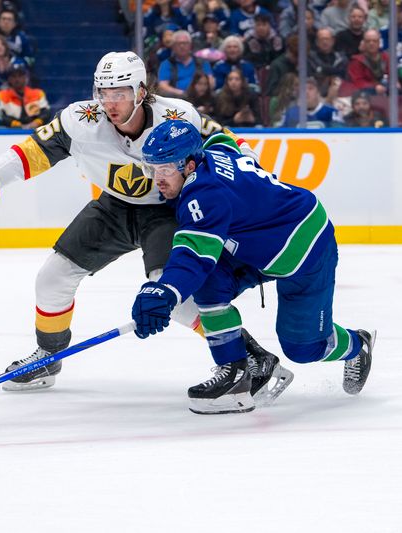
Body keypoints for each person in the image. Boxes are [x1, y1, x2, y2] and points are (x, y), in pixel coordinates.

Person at [0, 51, 292, 394]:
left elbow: (230, 145)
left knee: (176, 297)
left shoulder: (177, 115)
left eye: (119, 93)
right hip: (114, 208)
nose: (110, 102)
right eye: (103, 92)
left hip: (167, 211)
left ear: (141, 92)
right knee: (52, 278)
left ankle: (250, 356)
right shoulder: (80, 120)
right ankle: (48, 356)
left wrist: (253, 188)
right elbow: (29, 154)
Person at [131, 120, 375, 414]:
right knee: (209, 284)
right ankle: (236, 372)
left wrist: (165, 291)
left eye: (166, 169)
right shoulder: (213, 150)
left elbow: (193, 255)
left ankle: (356, 345)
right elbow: (228, 140)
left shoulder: (203, 195)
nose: (158, 179)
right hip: (258, 244)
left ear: (191, 165)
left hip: (305, 248)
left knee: (303, 348)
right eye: (152, 169)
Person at [0, 63, 49, 129]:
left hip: (35, 129)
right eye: (13, 76)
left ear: (26, 77)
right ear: (9, 79)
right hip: (11, 131)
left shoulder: (38, 93)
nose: (17, 79)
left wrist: (37, 122)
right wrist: (15, 124)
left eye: (20, 76)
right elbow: (0, 115)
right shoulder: (1, 95)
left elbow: (46, 113)